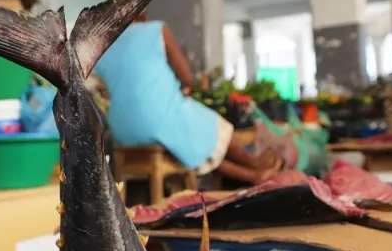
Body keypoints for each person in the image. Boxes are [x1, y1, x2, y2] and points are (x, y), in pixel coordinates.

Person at [94, 11, 281, 185]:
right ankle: (254, 165)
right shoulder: (156, 30)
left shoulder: (101, 47)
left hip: (123, 130)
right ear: (141, 16)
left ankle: (255, 174)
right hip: (159, 118)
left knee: (197, 145)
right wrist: (186, 85)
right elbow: (187, 77)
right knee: (218, 127)